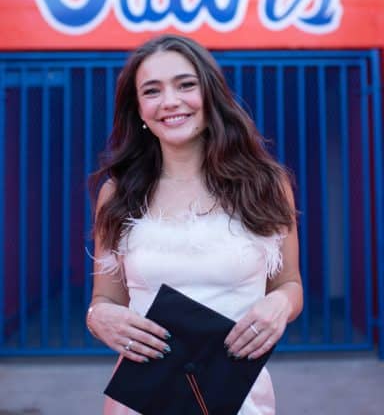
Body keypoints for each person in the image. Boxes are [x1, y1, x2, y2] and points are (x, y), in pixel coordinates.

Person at [87, 34, 303, 414]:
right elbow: (105, 300)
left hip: (239, 401)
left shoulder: (266, 185)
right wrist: (97, 317)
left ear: (210, 93)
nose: (170, 101)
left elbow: (289, 284)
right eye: (152, 91)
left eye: (185, 85)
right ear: (138, 110)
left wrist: (280, 304)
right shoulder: (118, 194)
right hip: (142, 401)